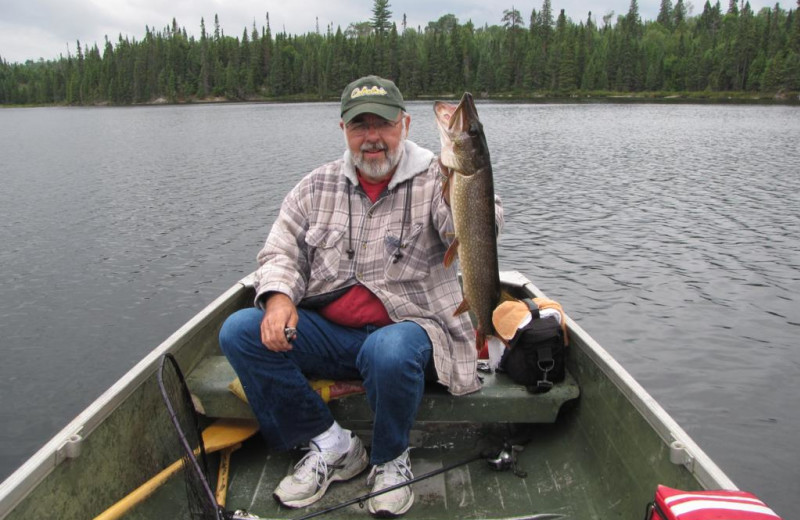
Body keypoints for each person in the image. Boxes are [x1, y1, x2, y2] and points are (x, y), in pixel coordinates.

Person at [219, 75, 503, 518]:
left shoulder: (438, 176)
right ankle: (332, 445)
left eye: (383, 124)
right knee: (240, 330)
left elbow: (479, 224)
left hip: (409, 340)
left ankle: (390, 460)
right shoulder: (316, 186)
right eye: (360, 125)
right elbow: (279, 251)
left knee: (386, 350)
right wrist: (277, 298)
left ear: (405, 125)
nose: (372, 137)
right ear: (344, 131)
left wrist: (456, 181)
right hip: (333, 338)